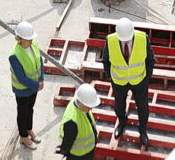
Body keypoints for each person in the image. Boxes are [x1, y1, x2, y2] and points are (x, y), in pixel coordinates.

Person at [102, 17, 155, 149]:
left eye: (127, 39)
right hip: (119, 81)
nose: (125, 41)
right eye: (122, 39)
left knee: (143, 107)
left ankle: (142, 130)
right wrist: (111, 77)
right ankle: (122, 122)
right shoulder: (111, 40)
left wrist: (146, 77)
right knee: (119, 105)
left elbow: (150, 59)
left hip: (139, 80)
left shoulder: (143, 38)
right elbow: (106, 60)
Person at [9, 21, 44, 150]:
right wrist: (36, 85)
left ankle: (29, 129)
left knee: (30, 109)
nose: (30, 41)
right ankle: (23, 136)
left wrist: (41, 79)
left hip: (34, 87)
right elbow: (21, 77)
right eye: (27, 39)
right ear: (19, 38)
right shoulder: (14, 55)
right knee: (22, 113)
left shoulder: (33, 45)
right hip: (23, 90)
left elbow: (39, 60)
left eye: (31, 39)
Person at [57, 83, 101, 160]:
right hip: (79, 155)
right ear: (80, 102)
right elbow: (67, 142)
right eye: (88, 106)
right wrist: (64, 151)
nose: (91, 109)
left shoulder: (78, 101)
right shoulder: (71, 122)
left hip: (88, 150)